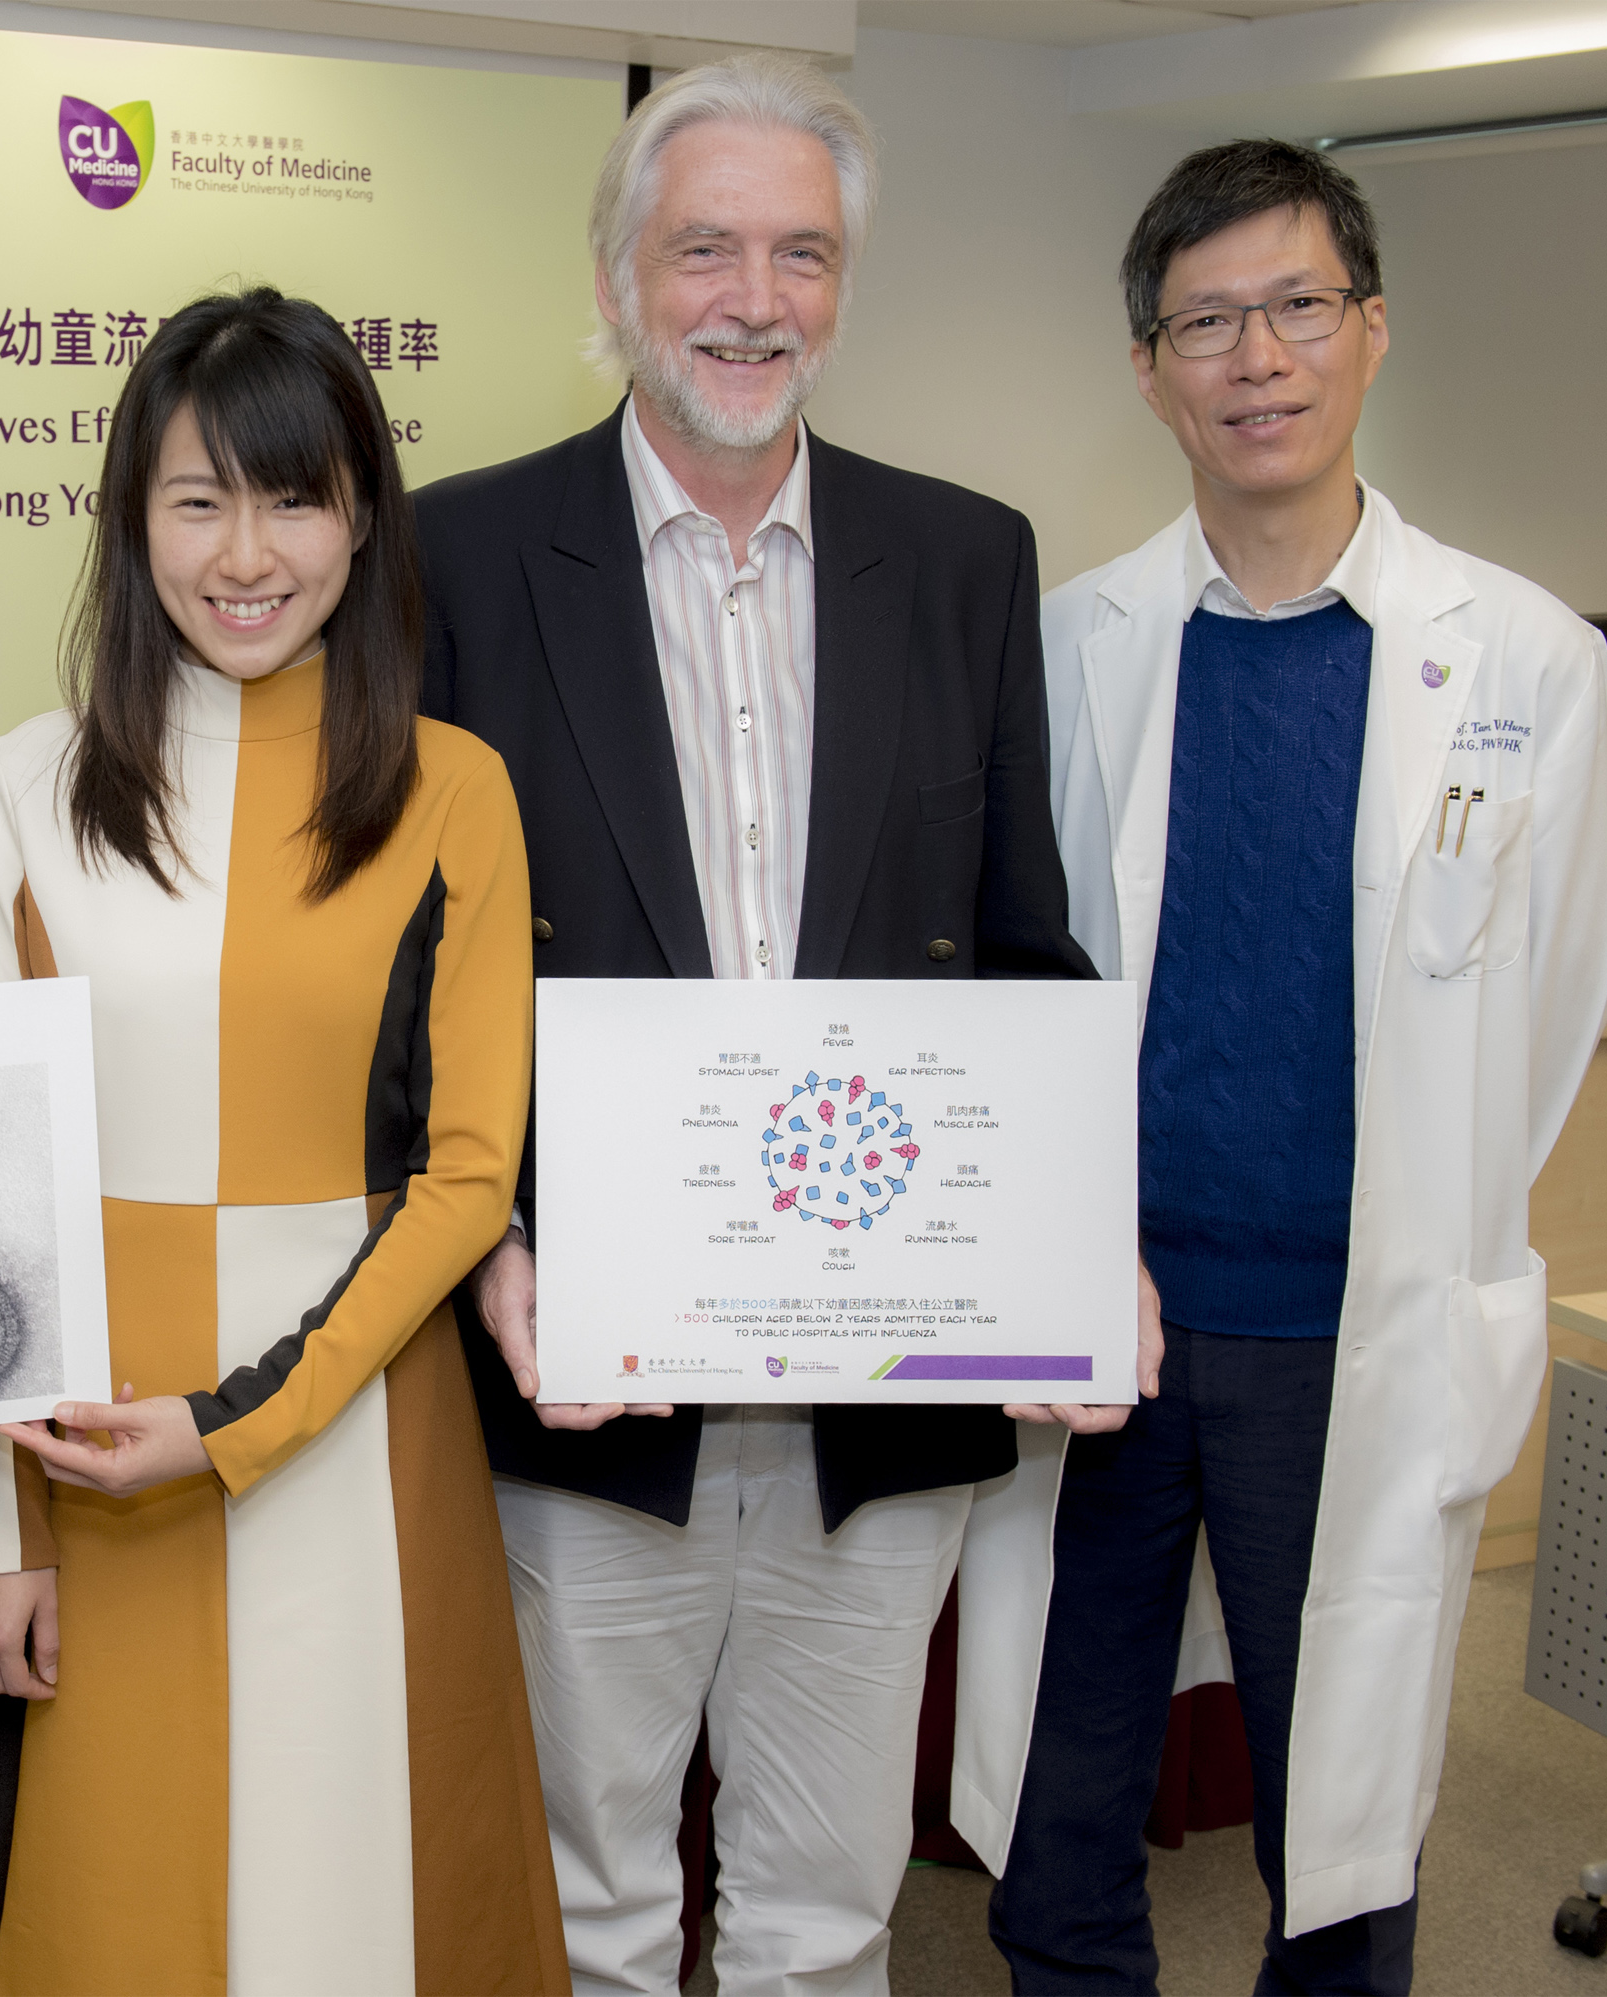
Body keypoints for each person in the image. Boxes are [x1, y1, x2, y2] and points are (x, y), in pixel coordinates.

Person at [413, 56, 1109, 1997]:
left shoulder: (967, 559)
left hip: (880, 1396)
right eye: (706, 243)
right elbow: (412, 984)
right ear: (622, 273)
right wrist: (501, 1256)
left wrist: (1067, 1244)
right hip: (588, 1378)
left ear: (846, 286)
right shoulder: (460, 558)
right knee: (596, 1904)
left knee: (828, 1909)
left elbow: (1024, 955)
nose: (754, 294)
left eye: (802, 252)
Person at [959, 140, 1607, 1995]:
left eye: (1296, 308)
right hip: (1107, 1317)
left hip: (1353, 1326)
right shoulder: (1076, 643)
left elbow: (1546, 1009)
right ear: (1151, 367)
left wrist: (1418, 1224)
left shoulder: (1527, 658)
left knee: (1338, 1829)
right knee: (1061, 1796)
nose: (1257, 357)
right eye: (1207, 322)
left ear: (1373, 331)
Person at [0, 287, 567, 1995]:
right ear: (134, 515)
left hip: (356, 1427)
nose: (246, 550)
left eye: (293, 496)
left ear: (362, 518)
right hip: (90, 1448)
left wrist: (234, 1425)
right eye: (198, 497)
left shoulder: (454, 788)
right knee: (123, 1913)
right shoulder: (25, 781)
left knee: (368, 1898)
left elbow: (467, 1175)